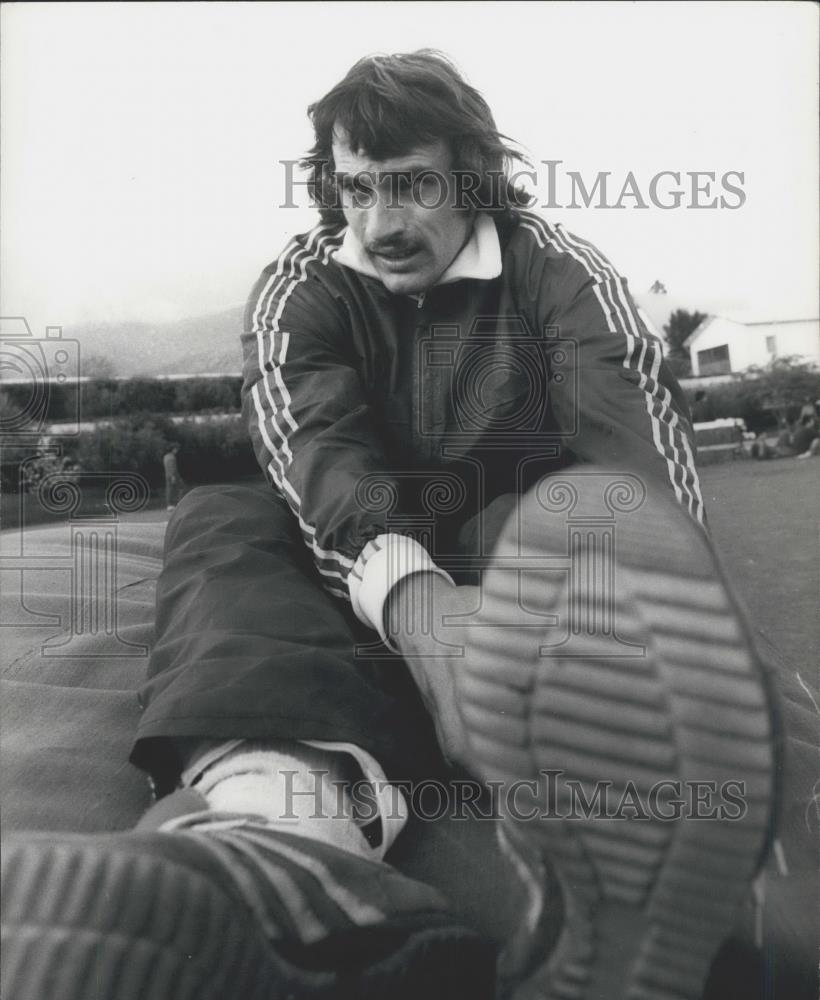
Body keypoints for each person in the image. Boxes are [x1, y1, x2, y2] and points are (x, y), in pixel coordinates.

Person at [3, 51, 782, 1000]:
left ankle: (628, 833)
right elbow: (317, 451)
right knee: (226, 521)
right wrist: (418, 611)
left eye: (409, 185)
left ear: (474, 172)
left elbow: (638, 459)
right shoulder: (302, 284)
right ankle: (276, 845)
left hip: (512, 565)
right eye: (356, 188)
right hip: (353, 568)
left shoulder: (560, 270)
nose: (378, 222)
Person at [162, 442, 183, 510]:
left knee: (169, 489)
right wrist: (173, 476)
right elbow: (172, 467)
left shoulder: (165, 456)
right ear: (173, 449)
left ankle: (170, 504)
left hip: (167, 475)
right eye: (176, 449)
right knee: (179, 488)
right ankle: (177, 503)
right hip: (173, 475)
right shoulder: (172, 457)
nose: (177, 450)